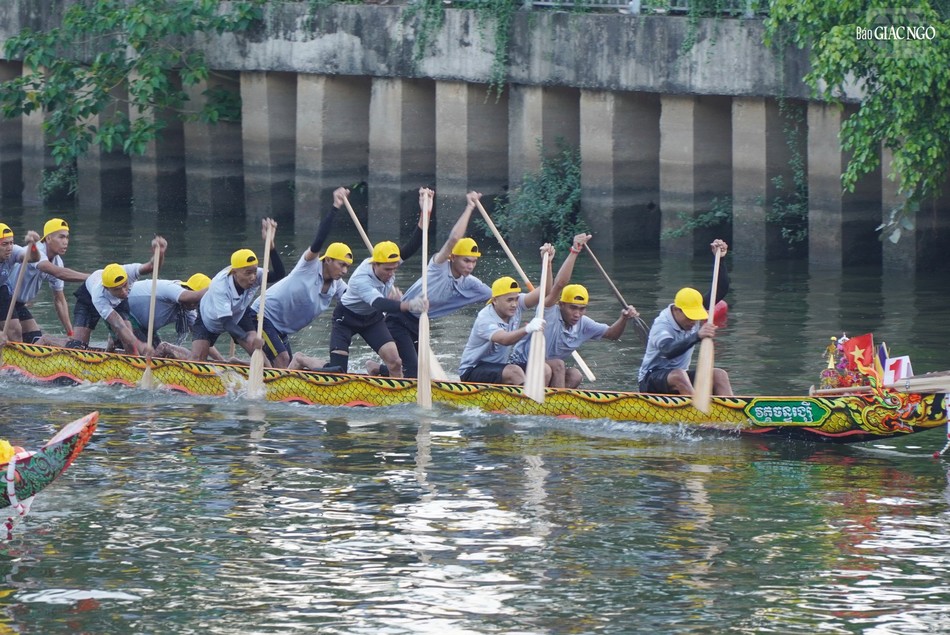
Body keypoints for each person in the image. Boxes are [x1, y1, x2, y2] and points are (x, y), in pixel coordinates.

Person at [375, 190, 493, 378]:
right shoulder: (438, 266)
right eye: (466, 261)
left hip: (419, 324)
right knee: (414, 373)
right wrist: (470, 207)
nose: (470, 266)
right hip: (399, 318)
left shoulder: (471, 284)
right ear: (452, 257)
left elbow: (500, 296)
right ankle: (386, 375)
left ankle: (378, 370)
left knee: (423, 373)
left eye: (473, 261)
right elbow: (453, 239)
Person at [321, 189, 430, 377]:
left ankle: (397, 400)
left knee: (396, 362)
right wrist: (409, 304)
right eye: (387, 270)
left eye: (394, 269)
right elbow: (379, 303)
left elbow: (414, 244)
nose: (391, 273)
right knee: (338, 372)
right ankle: (302, 360)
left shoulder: (389, 262)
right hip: (346, 318)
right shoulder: (361, 279)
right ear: (374, 264)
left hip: (372, 320)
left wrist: (425, 211)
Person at [510, 234, 640, 389]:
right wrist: (574, 251)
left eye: (581, 309)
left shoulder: (583, 324)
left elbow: (612, 334)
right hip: (522, 365)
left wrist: (624, 318)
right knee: (558, 365)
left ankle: (558, 403)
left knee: (575, 375)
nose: (577, 314)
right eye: (572, 307)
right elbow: (559, 284)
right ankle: (557, 408)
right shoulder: (549, 312)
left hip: (546, 368)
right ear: (561, 304)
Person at [246, 187, 353, 369]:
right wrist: (335, 207)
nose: (344, 271)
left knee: (279, 367)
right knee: (282, 361)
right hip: (262, 317)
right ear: (327, 260)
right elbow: (319, 240)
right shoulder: (309, 266)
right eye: (341, 265)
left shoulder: (338, 286)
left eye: (347, 267)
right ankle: (298, 360)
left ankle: (237, 365)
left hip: (281, 330)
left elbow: (357, 302)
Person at [637, 238, 733, 396]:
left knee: (719, 374)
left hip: (680, 379)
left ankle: (732, 410)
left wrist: (720, 258)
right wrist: (698, 335)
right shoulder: (662, 324)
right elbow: (668, 351)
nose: (693, 321)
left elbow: (720, 288)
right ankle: (699, 416)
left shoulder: (694, 307)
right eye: (689, 317)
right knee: (678, 375)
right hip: (650, 380)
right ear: (677, 310)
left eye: (696, 317)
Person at [457, 245, 554, 385]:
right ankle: (525, 403)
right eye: (509, 300)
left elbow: (546, 291)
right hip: (472, 371)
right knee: (514, 372)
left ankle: (539, 403)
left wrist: (548, 264)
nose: (515, 304)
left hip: (499, 367)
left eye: (516, 298)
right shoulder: (485, 318)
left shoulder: (516, 304)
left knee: (543, 369)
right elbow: (504, 339)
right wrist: (528, 329)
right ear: (495, 300)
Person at [190, 219, 285, 362]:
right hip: (209, 319)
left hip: (239, 313)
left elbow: (279, 274)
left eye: (254, 271)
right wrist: (247, 337)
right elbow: (227, 323)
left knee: (256, 350)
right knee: (197, 361)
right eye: (248, 273)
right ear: (234, 272)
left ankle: (268, 378)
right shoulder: (220, 286)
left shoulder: (255, 275)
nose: (253, 277)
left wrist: (271, 247)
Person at [67, 236, 168, 354]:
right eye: (117, 289)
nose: (124, 291)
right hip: (88, 299)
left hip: (119, 301)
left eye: (125, 285)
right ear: (107, 288)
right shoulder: (99, 297)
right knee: (78, 347)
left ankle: (134, 365)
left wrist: (160, 253)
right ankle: (47, 341)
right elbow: (119, 325)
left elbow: (151, 266)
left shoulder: (127, 272)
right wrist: (140, 345)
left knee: (128, 335)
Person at [4, 218, 88, 343]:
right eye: (61, 237)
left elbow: (59, 300)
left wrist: (70, 333)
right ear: (48, 239)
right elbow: (59, 273)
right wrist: (92, 277)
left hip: (18, 304)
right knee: (16, 336)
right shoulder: (37, 251)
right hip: (5, 299)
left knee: (35, 339)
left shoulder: (58, 261)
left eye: (67, 237)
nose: (65, 242)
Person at [124, 272, 213, 359]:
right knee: (142, 353)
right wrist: (213, 287)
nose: (197, 307)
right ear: (190, 292)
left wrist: (221, 361)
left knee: (156, 351)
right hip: (125, 311)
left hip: (143, 325)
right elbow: (187, 296)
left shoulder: (187, 308)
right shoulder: (173, 290)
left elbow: (202, 337)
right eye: (197, 302)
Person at [0, 223, 41, 334]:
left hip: (2, 289)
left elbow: (33, 258)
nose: (9, 248)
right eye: (4, 244)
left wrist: (32, 246)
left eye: (11, 243)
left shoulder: (13, 251)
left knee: (16, 331)